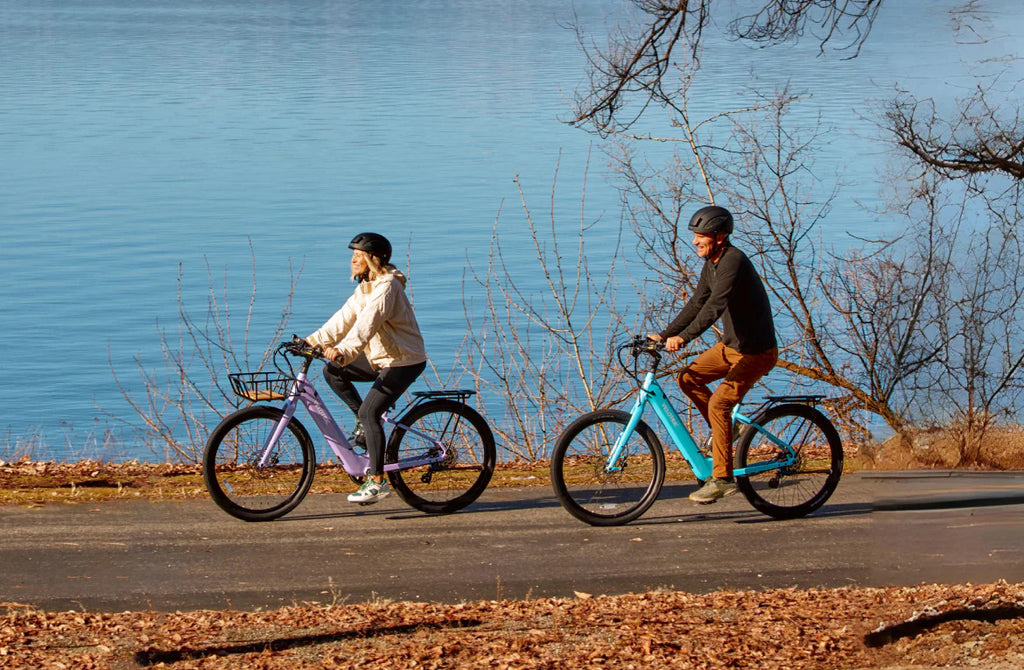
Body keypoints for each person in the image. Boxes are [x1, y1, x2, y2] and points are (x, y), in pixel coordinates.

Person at [648, 205, 778, 504]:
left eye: (700, 236)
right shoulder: (713, 262)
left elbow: (715, 305)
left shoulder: (733, 261)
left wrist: (685, 337)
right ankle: (730, 429)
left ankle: (722, 478)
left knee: (719, 403)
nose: (694, 242)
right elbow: (697, 302)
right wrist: (666, 334)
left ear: (719, 237)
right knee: (688, 378)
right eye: (694, 236)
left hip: (755, 353)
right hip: (731, 349)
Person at [305, 232, 427, 504]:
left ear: (374, 259)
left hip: (404, 360)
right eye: (352, 255)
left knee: (370, 411)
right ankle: (362, 423)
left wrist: (344, 351)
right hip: (380, 358)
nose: (353, 260)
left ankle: (377, 481)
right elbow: (343, 320)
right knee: (332, 372)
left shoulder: (387, 287)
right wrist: (310, 341)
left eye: (358, 256)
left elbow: (366, 325)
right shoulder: (366, 287)